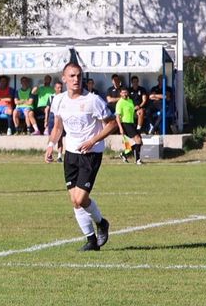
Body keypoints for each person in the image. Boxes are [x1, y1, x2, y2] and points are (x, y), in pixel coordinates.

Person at [44, 61, 117, 251]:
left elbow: (112, 124)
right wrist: (51, 145)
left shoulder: (93, 100)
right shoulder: (59, 100)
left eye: (79, 75)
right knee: (74, 201)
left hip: (90, 155)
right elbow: (58, 126)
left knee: (80, 199)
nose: (76, 79)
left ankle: (101, 223)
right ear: (64, 78)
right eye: (72, 76)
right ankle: (91, 240)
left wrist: (93, 140)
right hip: (71, 154)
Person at [112, 85, 143, 164]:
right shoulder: (120, 103)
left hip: (131, 123)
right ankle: (137, 160)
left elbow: (132, 112)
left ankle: (124, 154)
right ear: (120, 94)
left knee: (139, 142)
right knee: (138, 140)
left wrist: (137, 113)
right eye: (123, 92)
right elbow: (117, 116)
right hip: (125, 123)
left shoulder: (130, 101)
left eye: (126, 92)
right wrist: (120, 128)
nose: (125, 94)